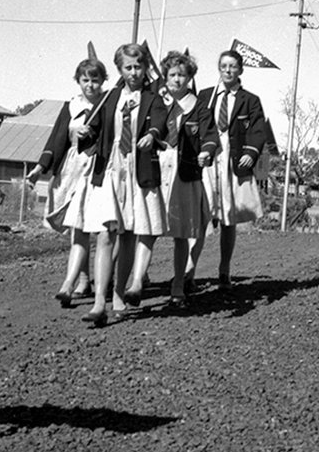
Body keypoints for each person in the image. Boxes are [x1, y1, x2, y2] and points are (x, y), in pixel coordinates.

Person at [70, 43, 169, 326]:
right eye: (128, 67)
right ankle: (99, 301)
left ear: (145, 68)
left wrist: (151, 135)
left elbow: (160, 123)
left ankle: (118, 293)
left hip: (138, 170)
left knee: (127, 237)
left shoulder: (153, 97)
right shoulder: (109, 97)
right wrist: (87, 131)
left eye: (138, 67)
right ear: (120, 69)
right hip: (111, 169)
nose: (134, 72)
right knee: (105, 235)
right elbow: (95, 129)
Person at [26, 56, 107, 307]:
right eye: (85, 80)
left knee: (90, 225)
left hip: (96, 168)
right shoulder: (70, 107)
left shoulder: (108, 104)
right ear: (78, 81)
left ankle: (78, 282)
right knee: (75, 225)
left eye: (95, 80)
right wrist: (40, 168)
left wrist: (94, 133)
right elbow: (56, 139)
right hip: (71, 168)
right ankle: (82, 279)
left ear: (103, 81)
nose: (90, 85)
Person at [187, 48, 266, 291]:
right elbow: (193, 125)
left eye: (232, 66)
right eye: (224, 67)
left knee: (228, 218)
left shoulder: (250, 100)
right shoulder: (205, 96)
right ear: (219, 69)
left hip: (233, 162)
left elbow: (258, 129)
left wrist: (250, 152)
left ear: (240, 70)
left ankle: (224, 269)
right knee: (201, 215)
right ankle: (189, 272)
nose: (228, 71)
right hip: (208, 161)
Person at [157, 50, 218, 309]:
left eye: (182, 75)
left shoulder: (199, 107)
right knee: (144, 230)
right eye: (172, 75)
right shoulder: (156, 103)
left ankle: (178, 284)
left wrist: (206, 151)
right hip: (156, 172)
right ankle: (137, 279)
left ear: (190, 77)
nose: (177, 80)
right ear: (165, 77)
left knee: (181, 233)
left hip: (184, 174)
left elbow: (210, 136)